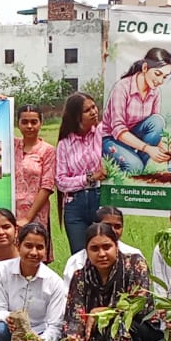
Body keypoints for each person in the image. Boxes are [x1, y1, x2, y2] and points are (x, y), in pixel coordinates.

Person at [60, 222, 158, 341]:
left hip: (140, 330)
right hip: (99, 337)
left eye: (107, 247)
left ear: (116, 246)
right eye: (94, 249)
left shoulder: (135, 264)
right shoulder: (81, 277)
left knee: (121, 325)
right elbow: (73, 321)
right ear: (86, 251)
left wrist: (103, 311)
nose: (102, 254)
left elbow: (139, 304)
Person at [0, 223, 66, 341]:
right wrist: (10, 318)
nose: (34, 252)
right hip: (12, 332)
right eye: (28, 246)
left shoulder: (55, 282)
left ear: (46, 250)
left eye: (40, 247)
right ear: (18, 245)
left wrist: (41, 340)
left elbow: (55, 325)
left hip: (40, 334)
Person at [101, 48, 171, 173]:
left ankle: (137, 165)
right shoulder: (122, 87)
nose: (160, 81)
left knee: (157, 121)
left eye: (164, 77)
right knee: (135, 167)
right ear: (145, 68)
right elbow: (118, 129)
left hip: (134, 137)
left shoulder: (155, 92)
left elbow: (155, 129)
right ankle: (134, 165)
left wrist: (163, 150)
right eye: (157, 74)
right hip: (112, 138)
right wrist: (148, 148)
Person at [56, 92, 105, 254]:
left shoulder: (103, 133)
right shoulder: (65, 144)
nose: (94, 112)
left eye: (94, 107)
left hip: (100, 198)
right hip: (74, 205)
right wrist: (89, 177)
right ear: (76, 116)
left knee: (103, 252)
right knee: (79, 256)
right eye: (87, 110)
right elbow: (61, 181)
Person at [13, 103, 57, 261]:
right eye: (24, 122)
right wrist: (0, 104)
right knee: (10, 258)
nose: (29, 126)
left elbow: (47, 186)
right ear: (18, 123)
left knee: (34, 255)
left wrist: (27, 218)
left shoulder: (47, 150)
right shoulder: (12, 145)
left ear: (41, 123)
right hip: (11, 212)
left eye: (34, 122)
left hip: (36, 212)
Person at [61, 206, 142, 286]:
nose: (113, 230)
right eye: (107, 225)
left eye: (117, 227)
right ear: (95, 226)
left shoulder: (135, 258)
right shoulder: (76, 261)